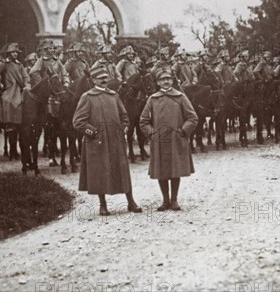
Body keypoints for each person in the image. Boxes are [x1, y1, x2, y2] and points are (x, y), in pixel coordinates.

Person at [72, 65, 142, 216]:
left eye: (105, 77)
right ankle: (102, 205)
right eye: (100, 78)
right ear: (93, 80)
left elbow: (124, 116)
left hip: (116, 140)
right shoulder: (87, 97)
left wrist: (124, 128)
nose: (104, 80)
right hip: (98, 142)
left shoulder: (114, 96)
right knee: (100, 172)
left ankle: (131, 202)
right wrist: (93, 133)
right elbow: (78, 121)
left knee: (122, 170)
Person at [140, 68, 198, 211]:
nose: (166, 82)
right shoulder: (153, 99)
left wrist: (183, 131)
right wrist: (151, 133)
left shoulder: (180, 97)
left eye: (168, 79)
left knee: (175, 169)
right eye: (162, 79)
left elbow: (193, 118)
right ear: (158, 83)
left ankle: (174, 201)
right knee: (161, 170)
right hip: (159, 141)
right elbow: (143, 120)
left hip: (175, 140)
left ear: (172, 81)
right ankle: (165, 201)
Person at [0, 43, 31, 159]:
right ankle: (9, 124)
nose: (15, 54)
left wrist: (27, 85)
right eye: (13, 52)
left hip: (20, 90)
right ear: (9, 53)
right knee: (9, 102)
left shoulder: (20, 65)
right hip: (8, 91)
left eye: (16, 52)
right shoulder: (4, 64)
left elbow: (26, 77)